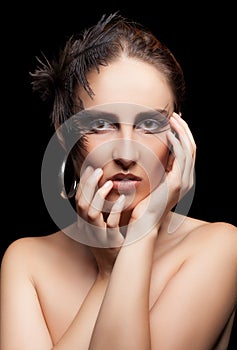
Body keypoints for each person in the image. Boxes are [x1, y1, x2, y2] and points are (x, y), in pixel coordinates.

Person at [1, 12, 237, 350]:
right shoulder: (27, 262)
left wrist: (145, 228)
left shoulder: (219, 247)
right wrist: (106, 277)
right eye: (101, 124)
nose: (126, 152)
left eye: (149, 125)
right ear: (66, 138)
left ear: (178, 138)